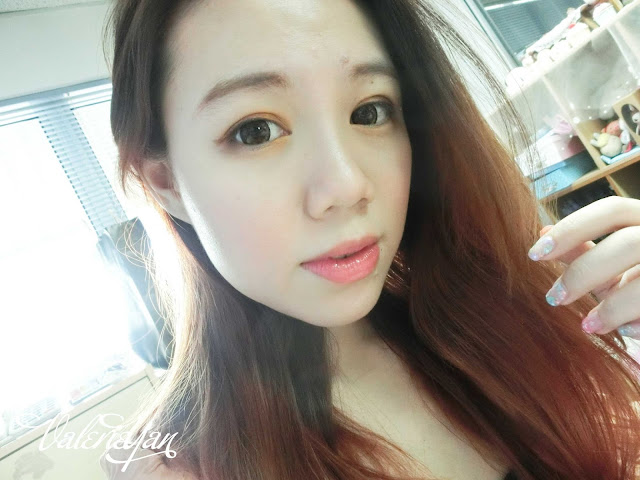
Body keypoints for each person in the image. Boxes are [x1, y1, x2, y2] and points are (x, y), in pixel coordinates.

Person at [98, 0, 640, 478]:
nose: (347, 185)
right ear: (165, 183)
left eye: (369, 112)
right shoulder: (179, 466)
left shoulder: (510, 323)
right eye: (255, 131)